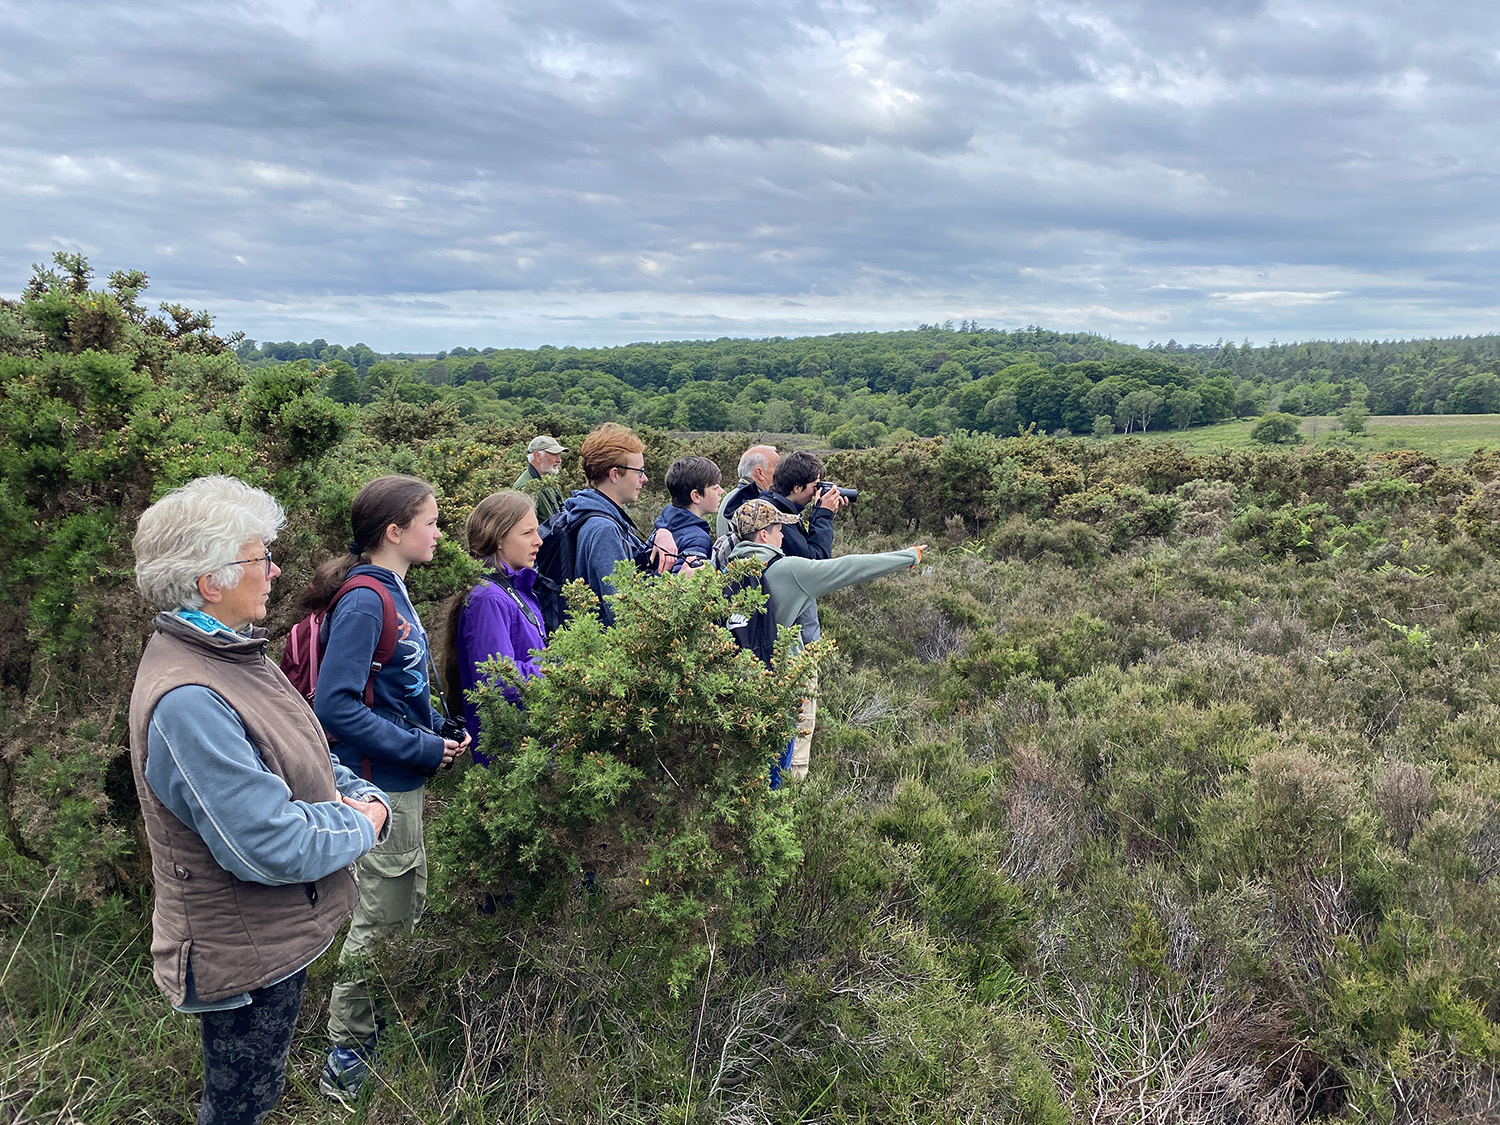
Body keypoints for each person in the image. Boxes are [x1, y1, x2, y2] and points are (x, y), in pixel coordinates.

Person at [128, 475, 390, 1125]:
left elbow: (302, 748)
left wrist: (353, 790)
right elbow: (266, 842)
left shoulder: (231, 652)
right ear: (208, 580)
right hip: (238, 952)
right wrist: (366, 823)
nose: (274, 570)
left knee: (256, 1092)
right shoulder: (189, 696)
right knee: (240, 1104)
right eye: (257, 557)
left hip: (266, 936)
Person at [308, 474, 470, 1101]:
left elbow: (393, 692)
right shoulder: (366, 600)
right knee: (379, 918)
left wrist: (435, 734)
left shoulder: (393, 593)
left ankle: (374, 1035)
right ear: (394, 532)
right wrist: (423, 747)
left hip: (401, 778)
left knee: (400, 909)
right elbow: (336, 706)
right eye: (430, 521)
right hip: (378, 786)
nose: (439, 531)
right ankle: (346, 1059)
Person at [728, 498, 925, 782]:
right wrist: (908, 556)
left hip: (739, 682)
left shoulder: (726, 568)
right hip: (784, 680)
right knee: (786, 767)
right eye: (778, 528)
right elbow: (848, 568)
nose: (783, 534)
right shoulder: (788, 570)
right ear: (763, 535)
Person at [443, 490, 546, 761]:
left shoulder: (513, 588)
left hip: (529, 744)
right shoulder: (489, 598)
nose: (539, 541)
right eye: (527, 533)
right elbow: (497, 679)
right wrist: (556, 669)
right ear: (499, 538)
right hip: (510, 753)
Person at [555, 422, 676, 626]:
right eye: (639, 471)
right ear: (614, 474)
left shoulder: (588, 511)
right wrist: (671, 584)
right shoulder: (604, 530)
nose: (644, 479)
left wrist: (660, 534)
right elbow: (623, 615)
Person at [654, 455, 723, 570]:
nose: (721, 491)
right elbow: (687, 583)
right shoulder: (697, 539)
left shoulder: (662, 527)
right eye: (715, 488)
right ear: (696, 496)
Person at [717, 444, 778, 537]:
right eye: (777, 467)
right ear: (760, 473)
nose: (781, 472)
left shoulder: (731, 498)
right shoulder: (752, 503)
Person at [513, 435, 567, 522]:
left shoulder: (548, 480)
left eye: (559, 455)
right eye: (554, 454)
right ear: (537, 456)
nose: (559, 460)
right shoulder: (525, 487)